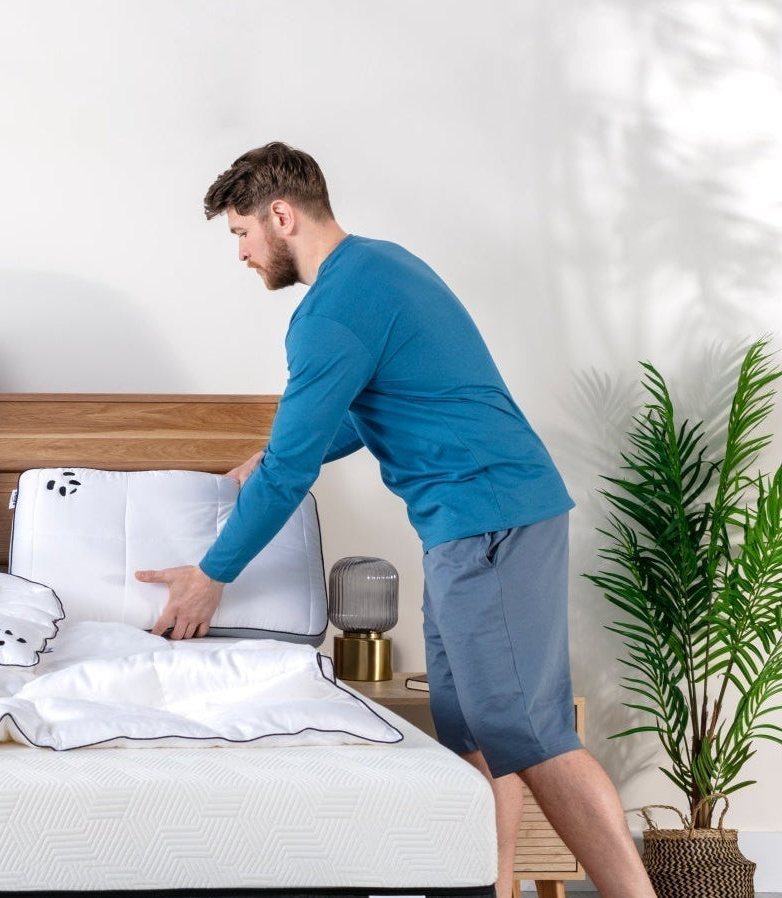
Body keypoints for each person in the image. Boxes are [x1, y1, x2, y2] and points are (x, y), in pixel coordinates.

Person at [135, 142, 653, 898]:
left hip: (488, 522)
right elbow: (390, 404)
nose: (242, 253)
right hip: (473, 523)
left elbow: (291, 471)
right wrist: (275, 450)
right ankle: (495, 888)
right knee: (473, 732)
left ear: (281, 215)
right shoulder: (381, 266)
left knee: (533, 734)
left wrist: (211, 576)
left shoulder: (330, 311)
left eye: (242, 233)